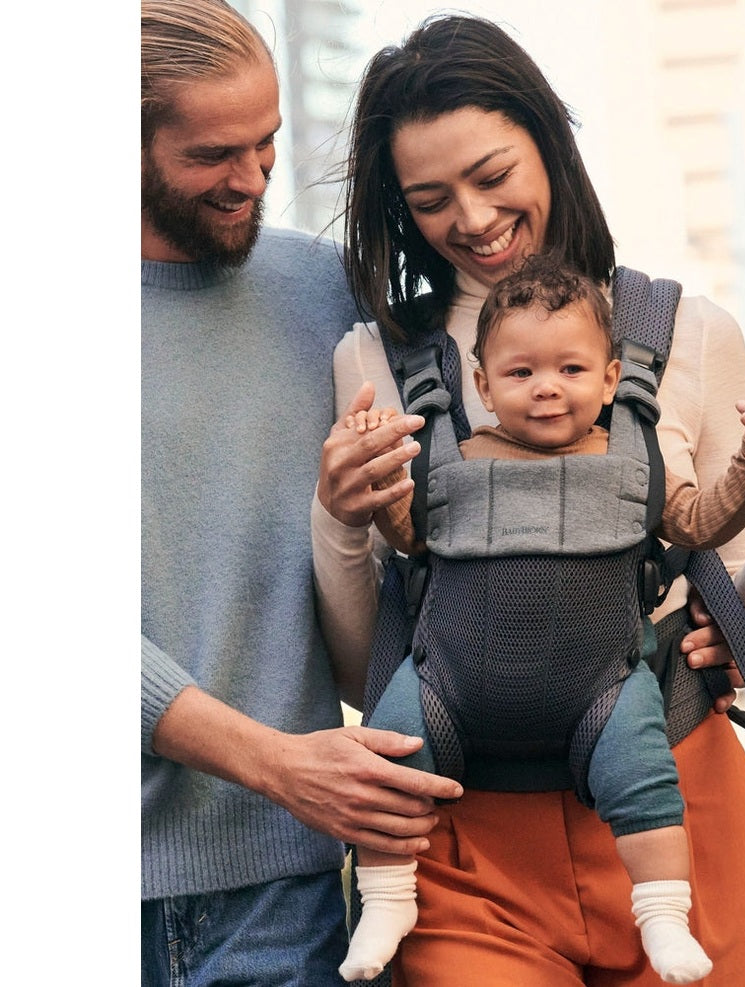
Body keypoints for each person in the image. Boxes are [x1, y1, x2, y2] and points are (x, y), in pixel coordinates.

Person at [312, 13, 745, 986]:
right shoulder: (374, 359)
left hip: (673, 810)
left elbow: (738, 648)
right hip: (463, 846)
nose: (469, 216)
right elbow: (363, 665)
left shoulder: (687, 333)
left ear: (550, 142)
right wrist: (340, 521)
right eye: (429, 199)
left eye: (493, 174)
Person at [337, 254, 745, 984]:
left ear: (612, 378)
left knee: (645, 783)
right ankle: (387, 897)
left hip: (606, 692)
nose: (547, 387)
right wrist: (371, 493)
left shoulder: (636, 457)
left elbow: (697, 523)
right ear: (484, 384)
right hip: (448, 695)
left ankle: (659, 913)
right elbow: (409, 538)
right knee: (393, 765)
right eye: (521, 373)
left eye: (569, 369)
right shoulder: (452, 461)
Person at [140, 3, 462, 984]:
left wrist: (678, 612)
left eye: (269, 141)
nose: (254, 178)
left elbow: (504, 471)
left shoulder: (331, 296)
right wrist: (279, 762)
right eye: (213, 154)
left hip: (285, 893)